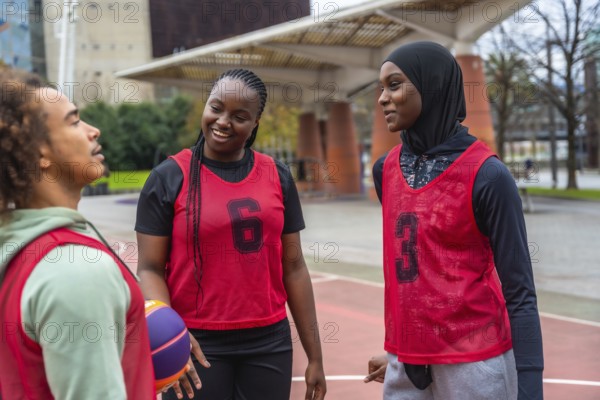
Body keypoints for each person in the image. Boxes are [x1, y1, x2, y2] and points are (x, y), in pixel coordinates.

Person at [364, 42, 544, 400]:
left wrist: (530, 384)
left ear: (431, 87)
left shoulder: (489, 175)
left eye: (394, 85)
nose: (383, 98)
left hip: (475, 364)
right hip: (406, 361)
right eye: (380, 87)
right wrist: (402, 351)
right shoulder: (385, 170)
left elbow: (520, 292)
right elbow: (417, 275)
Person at [135, 68, 327, 400]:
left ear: (255, 123)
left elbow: (294, 267)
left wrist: (316, 357)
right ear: (205, 106)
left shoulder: (277, 176)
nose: (223, 121)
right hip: (196, 342)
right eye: (216, 107)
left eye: (239, 116)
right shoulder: (168, 177)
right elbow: (150, 268)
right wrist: (172, 335)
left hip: (269, 341)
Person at [0, 69, 154, 399]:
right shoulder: (75, 271)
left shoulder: (18, 250)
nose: (93, 130)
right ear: (38, 152)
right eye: (74, 121)